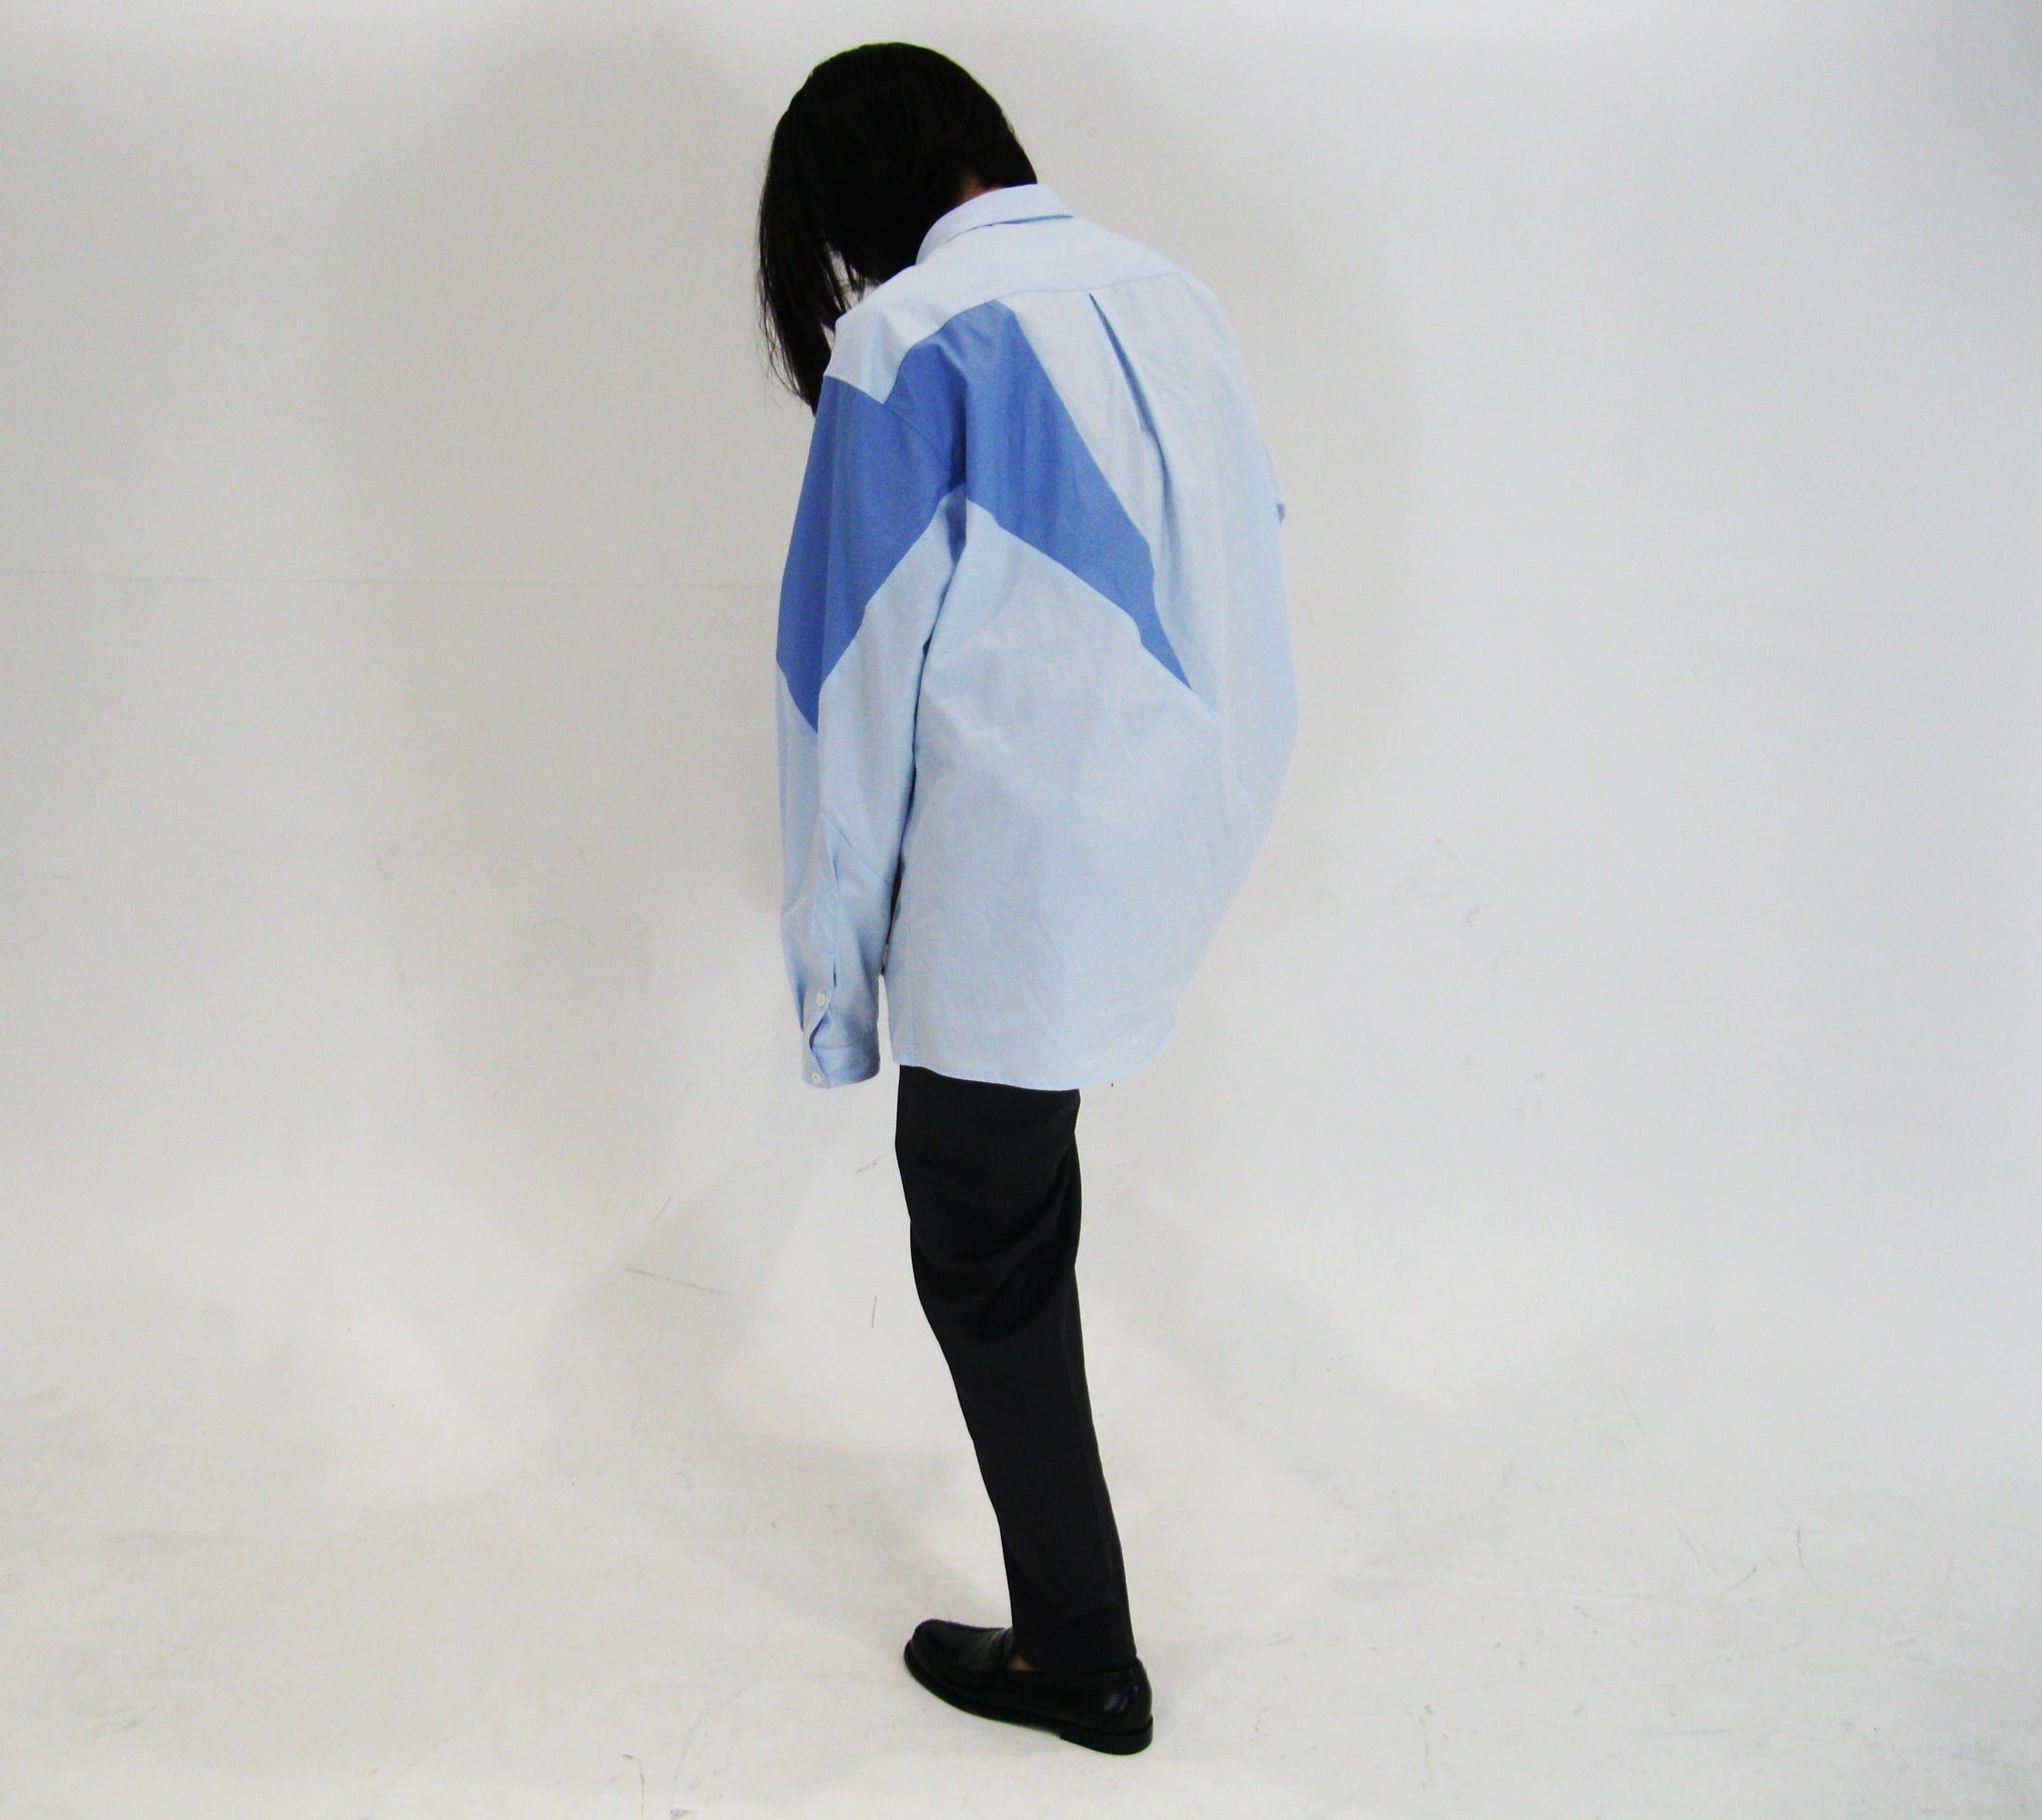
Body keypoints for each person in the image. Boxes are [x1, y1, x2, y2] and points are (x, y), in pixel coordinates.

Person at [757, 43, 1297, 1755]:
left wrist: (836, 979)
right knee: (1015, 1212)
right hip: (1172, 836)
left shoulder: (906, 338)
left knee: (981, 1241)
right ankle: (1075, 1629)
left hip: (1016, 873)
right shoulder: (1176, 295)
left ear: (853, 200)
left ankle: (1079, 1655)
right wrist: (1204, 814)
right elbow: (1252, 564)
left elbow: (842, 680)